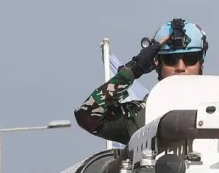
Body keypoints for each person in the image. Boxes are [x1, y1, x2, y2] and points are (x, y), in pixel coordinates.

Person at [75, 18, 208, 143]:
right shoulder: (141, 115)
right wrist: (135, 69)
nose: (180, 67)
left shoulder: (218, 106)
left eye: (190, 59)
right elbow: (86, 116)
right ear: (158, 66)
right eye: (170, 60)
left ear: (200, 65)